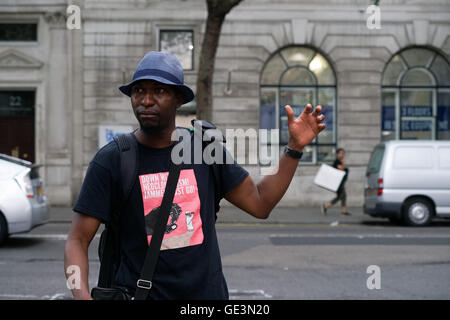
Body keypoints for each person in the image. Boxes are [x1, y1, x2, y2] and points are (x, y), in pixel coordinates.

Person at [64, 51, 326, 300]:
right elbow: (77, 240)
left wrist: (294, 149)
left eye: (159, 91)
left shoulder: (205, 150)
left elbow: (260, 203)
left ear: (179, 99)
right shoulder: (112, 160)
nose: (146, 100)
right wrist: (81, 295)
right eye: (138, 91)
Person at [321, 148, 350, 216]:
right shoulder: (337, 161)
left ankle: (344, 211)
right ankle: (325, 206)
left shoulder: (339, 161)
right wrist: (343, 163)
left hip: (340, 182)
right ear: (337, 154)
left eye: (343, 153)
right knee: (340, 196)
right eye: (341, 153)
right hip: (337, 183)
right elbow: (341, 169)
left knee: (343, 196)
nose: (342, 155)